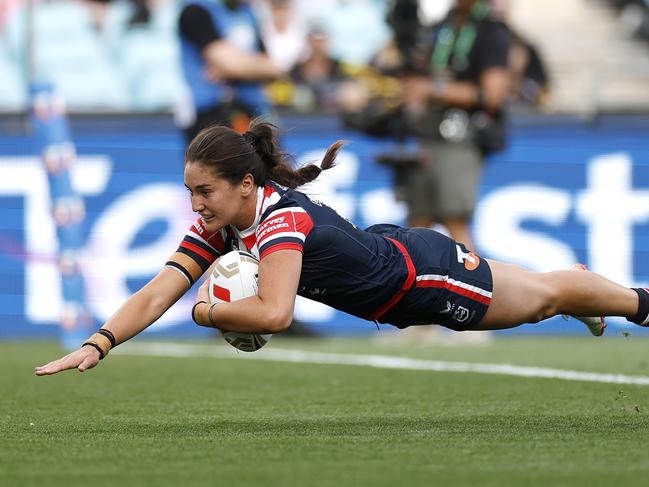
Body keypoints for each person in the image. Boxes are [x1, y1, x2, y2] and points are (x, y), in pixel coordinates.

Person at [35, 120, 649, 376]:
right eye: (190, 192)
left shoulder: (278, 224)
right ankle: (577, 288)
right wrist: (99, 343)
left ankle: (634, 300)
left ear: (245, 184)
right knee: (545, 294)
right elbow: (155, 291)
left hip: (423, 279)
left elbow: (274, 314)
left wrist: (206, 311)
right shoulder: (222, 225)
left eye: (205, 192)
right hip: (392, 265)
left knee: (543, 297)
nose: (195, 205)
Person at [400, 0, 511, 251]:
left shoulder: (491, 30)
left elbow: (493, 96)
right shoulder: (443, 25)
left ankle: (478, 288)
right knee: (417, 223)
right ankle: (412, 287)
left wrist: (434, 89)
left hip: (461, 139)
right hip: (427, 135)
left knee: (454, 219)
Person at [178, 0, 283, 142]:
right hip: (210, 118)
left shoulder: (248, 13)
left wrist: (233, 65)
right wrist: (240, 65)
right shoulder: (195, 10)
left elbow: (273, 67)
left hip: (254, 113)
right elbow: (230, 64)